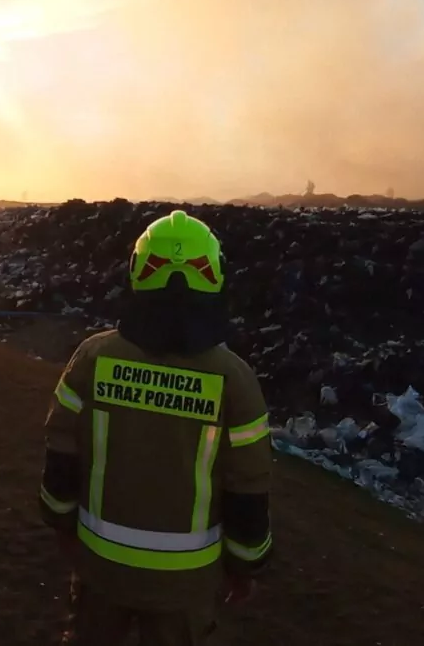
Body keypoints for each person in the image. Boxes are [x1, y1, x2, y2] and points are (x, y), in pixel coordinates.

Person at [39, 209, 273, 645]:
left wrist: (60, 525)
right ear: (215, 277)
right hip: (184, 586)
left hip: (100, 570)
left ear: (137, 273)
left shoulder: (93, 358)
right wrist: (246, 566)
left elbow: (61, 449)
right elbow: (249, 485)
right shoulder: (235, 380)